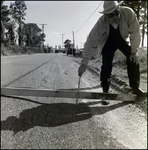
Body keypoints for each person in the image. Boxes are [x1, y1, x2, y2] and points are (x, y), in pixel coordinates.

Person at [78, 1, 147, 98]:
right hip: (108, 41)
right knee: (106, 63)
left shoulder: (128, 13)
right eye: (110, 15)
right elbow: (91, 42)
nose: (114, 17)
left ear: (119, 9)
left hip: (121, 39)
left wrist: (133, 52)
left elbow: (135, 33)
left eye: (116, 13)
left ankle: (135, 88)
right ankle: (105, 89)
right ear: (105, 15)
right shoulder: (101, 22)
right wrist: (84, 63)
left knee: (133, 59)